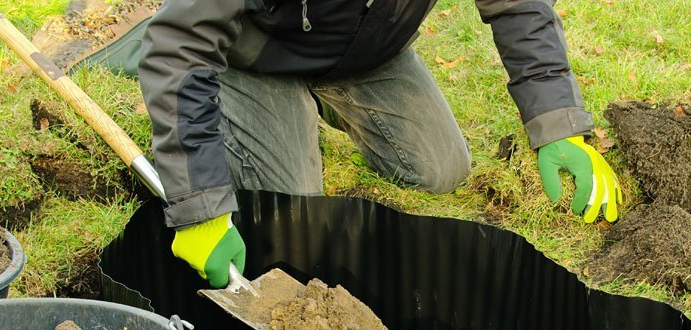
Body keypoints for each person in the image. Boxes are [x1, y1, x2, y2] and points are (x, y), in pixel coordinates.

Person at [138, 0, 622, 288]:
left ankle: (327, 99)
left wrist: (556, 121)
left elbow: (517, 7)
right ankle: (255, 105)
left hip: (366, 53)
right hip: (257, 56)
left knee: (442, 170)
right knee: (296, 212)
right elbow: (178, 43)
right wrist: (199, 206)